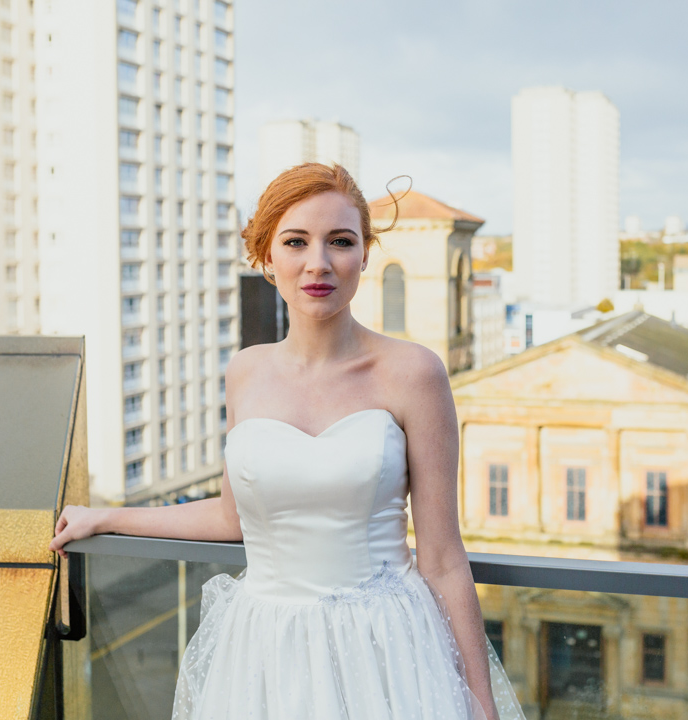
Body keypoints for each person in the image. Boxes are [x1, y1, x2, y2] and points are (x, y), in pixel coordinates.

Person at [50, 163, 525, 720]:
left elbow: (442, 558)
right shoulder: (245, 372)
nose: (318, 263)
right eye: (295, 241)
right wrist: (105, 519)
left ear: (365, 254)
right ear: (266, 257)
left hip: (384, 649)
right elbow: (233, 519)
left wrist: (482, 705)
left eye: (340, 242)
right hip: (264, 652)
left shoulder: (414, 373)